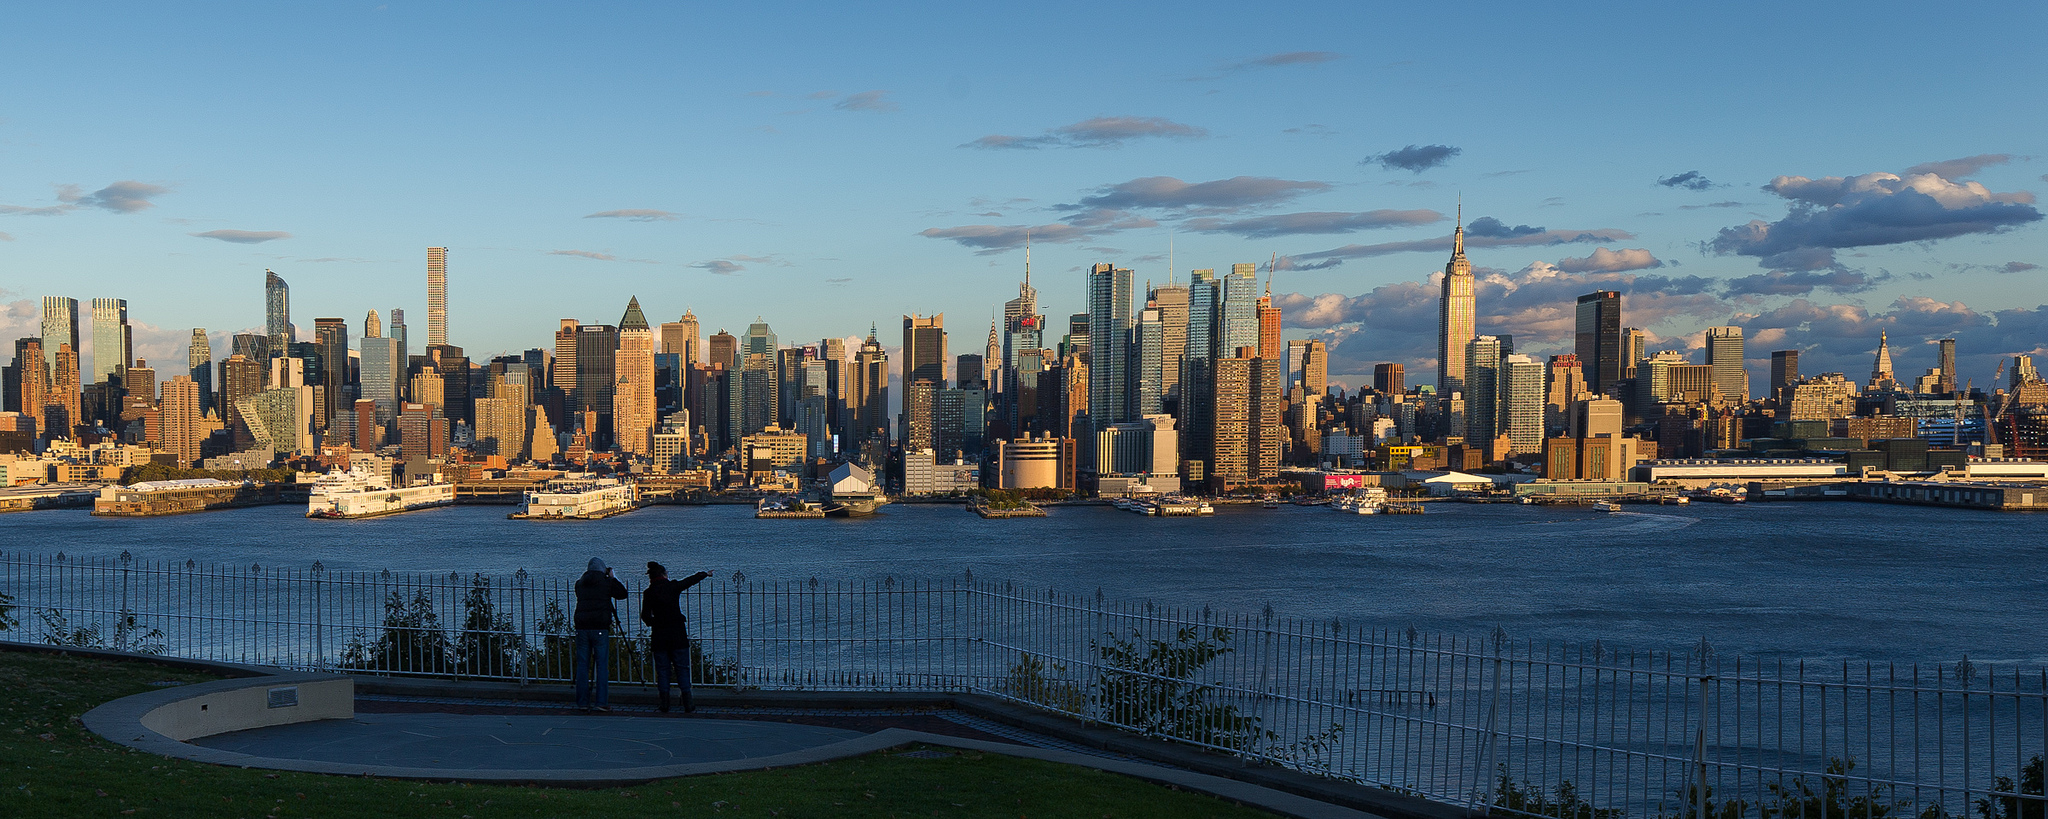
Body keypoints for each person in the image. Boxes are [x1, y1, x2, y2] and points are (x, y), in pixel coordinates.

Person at [641, 561, 713, 713]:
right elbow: (688, 581)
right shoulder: (672, 587)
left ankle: (665, 704)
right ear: (664, 575)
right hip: (677, 634)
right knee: (682, 669)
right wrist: (704, 574)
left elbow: (645, 616)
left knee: (663, 670)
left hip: (659, 636)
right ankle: (688, 703)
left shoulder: (649, 593)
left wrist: (657, 622)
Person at [572, 557, 628, 712]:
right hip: (599, 627)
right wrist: (612, 577)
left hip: (582, 627)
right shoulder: (607, 582)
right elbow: (623, 594)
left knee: (583, 665)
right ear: (603, 570)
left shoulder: (580, 584)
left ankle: (582, 702)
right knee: (601, 665)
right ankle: (601, 702)